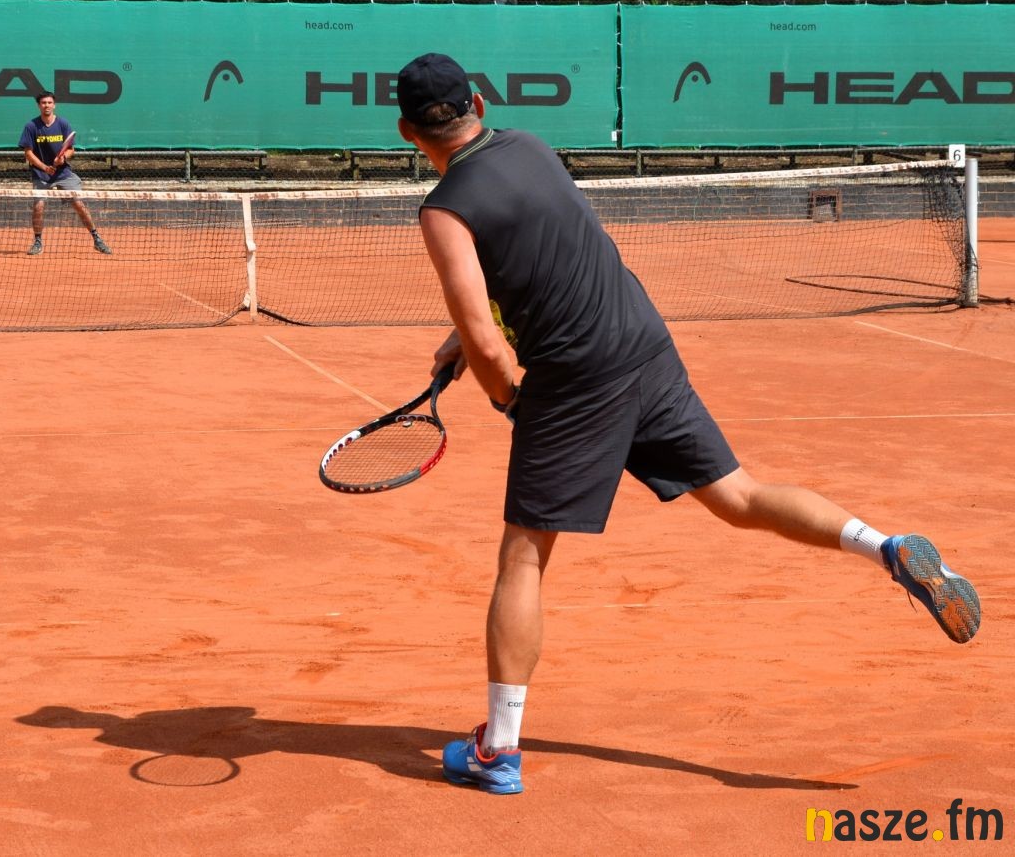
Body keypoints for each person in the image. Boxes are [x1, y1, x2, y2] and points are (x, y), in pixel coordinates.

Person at [395, 52, 981, 797]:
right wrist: (478, 337)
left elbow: (485, 341)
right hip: (642, 344)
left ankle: (498, 751)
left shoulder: (444, 210)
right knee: (739, 496)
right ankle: (886, 548)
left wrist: (511, 398)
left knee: (524, 558)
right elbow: (543, 259)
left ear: (407, 131)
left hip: (575, 380)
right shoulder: (532, 148)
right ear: (478, 102)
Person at [18, 91, 112, 256]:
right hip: (41, 174)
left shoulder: (63, 124)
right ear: (39, 105)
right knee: (39, 206)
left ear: (54, 105)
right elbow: (28, 153)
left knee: (78, 204)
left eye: (49, 103)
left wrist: (63, 158)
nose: (46, 105)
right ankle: (38, 241)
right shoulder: (31, 126)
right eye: (43, 103)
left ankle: (96, 238)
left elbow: (70, 150)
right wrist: (44, 167)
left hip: (63, 173)